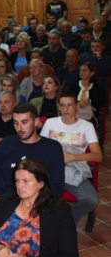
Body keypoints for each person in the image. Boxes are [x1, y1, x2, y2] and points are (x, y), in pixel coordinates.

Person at [0, 158, 78, 257]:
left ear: (41, 183)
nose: (20, 186)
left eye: (26, 181)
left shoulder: (58, 210)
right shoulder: (4, 202)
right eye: (17, 180)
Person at [0, 103, 65, 216]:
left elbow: (56, 186)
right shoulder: (6, 143)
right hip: (3, 200)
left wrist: (35, 202)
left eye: (24, 122)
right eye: (16, 123)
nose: (19, 128)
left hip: (36, 203)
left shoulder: (52, 147)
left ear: (36, 122)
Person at [41, 92, 102, 223]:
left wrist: (72, 157)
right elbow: (41, 148)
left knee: (91, 199)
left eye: (70, 105)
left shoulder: (86, 126)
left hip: (74, 169)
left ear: (77, 107)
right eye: (62, 105)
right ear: (58, 107)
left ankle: (68, 222)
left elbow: (98, 156)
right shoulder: (51, 123)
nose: (66, 109)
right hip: (51, 169)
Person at [68, 62, 106, 127]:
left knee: (84, 125)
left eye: (84, 70)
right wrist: (77, 103)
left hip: (90, 116)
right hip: (73, 115)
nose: (81, 72)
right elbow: (67, 98)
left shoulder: (98, 87)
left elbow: (103, 102)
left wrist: (89, 101)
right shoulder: (73, 86)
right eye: (80, 70)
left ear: (91, 73)